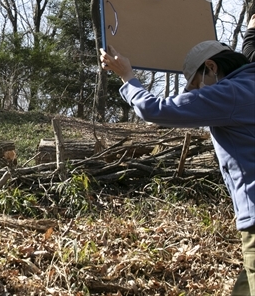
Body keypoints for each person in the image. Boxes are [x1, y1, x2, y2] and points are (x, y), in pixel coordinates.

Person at [100, 40, 254, 295]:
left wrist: (127, 76)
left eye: (196, 86)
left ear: (212, 67)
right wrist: (250, 33)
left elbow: (154, 110)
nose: (197, 94)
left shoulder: (230, 93)